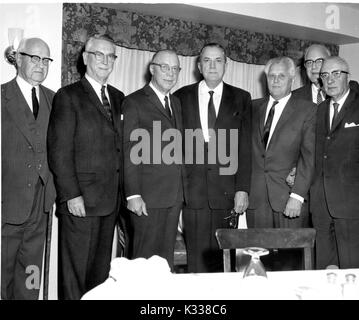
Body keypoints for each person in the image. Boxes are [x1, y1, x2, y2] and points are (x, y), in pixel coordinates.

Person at [47, 34, 125, 299]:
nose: (105, 61)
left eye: (110, 55)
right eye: (98, 55)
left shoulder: (118, 97)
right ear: (85, 58)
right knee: (74, 276)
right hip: (80, 202)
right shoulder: (68, 96)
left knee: (99, 276)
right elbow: (59, 151)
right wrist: (71, 194)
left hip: (110, 203)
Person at [174, 43, 252, 273]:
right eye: (207, 60)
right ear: (199, 66)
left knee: (224, 260)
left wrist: (243, 189)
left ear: (226, 65)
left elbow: (245, 148)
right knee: (196, 261)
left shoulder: (241, 98)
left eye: (218, 60)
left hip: (227, 193)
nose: (212, 65)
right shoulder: (180, 97)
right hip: (193, 192)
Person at [248, 57, 316, 269]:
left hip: (289, 199)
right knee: (258, 264)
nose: (276, 80)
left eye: (281, 76)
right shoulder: (252, 107)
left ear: (292, 79)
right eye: (271, 76)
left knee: (291, 264)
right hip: (256, 200)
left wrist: (297, 196)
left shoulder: (308, 110)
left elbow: (309, 156)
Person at [1, 37, 56, 300]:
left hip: (40, 207)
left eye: (46, 60)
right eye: (35, 58)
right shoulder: (2, 96)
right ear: (19, 59)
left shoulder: (54, 100)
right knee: (2, 275)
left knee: (31, 274)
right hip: (6, 205)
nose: (41, 65)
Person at [122, 50, 184, 271]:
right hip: (146, 197)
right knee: (142, 262)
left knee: (164, 263)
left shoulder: (176, 102)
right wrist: (133, 194)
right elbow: (129, 151)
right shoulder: (134, 102)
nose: (170, 73)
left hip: (173, 197)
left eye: (175, 68)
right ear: (152, 68)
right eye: (165, 67)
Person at [310, 56, 359, 269]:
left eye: (336, 74)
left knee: (353, 268)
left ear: (347, 76)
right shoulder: (320, 110)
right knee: (324, 270)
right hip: (321, 205)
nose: (330, 80)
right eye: (325, 75)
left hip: (352, 206)